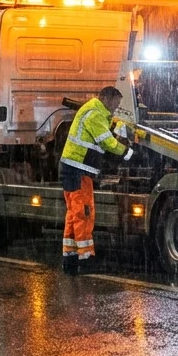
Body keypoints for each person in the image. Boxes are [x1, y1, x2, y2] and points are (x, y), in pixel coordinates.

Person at [60, 86, 134, 275]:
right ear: (106, 99)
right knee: (84, 213)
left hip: (73, 168)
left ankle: (70, 257)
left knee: (74, 213)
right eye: (115, 104)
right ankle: (86, 259)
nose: (115, 109)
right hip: (78, 169)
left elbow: (104, 133)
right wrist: (127, 152)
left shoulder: (94, 111)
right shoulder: (94, 114)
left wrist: (117, 127)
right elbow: (106, 142)